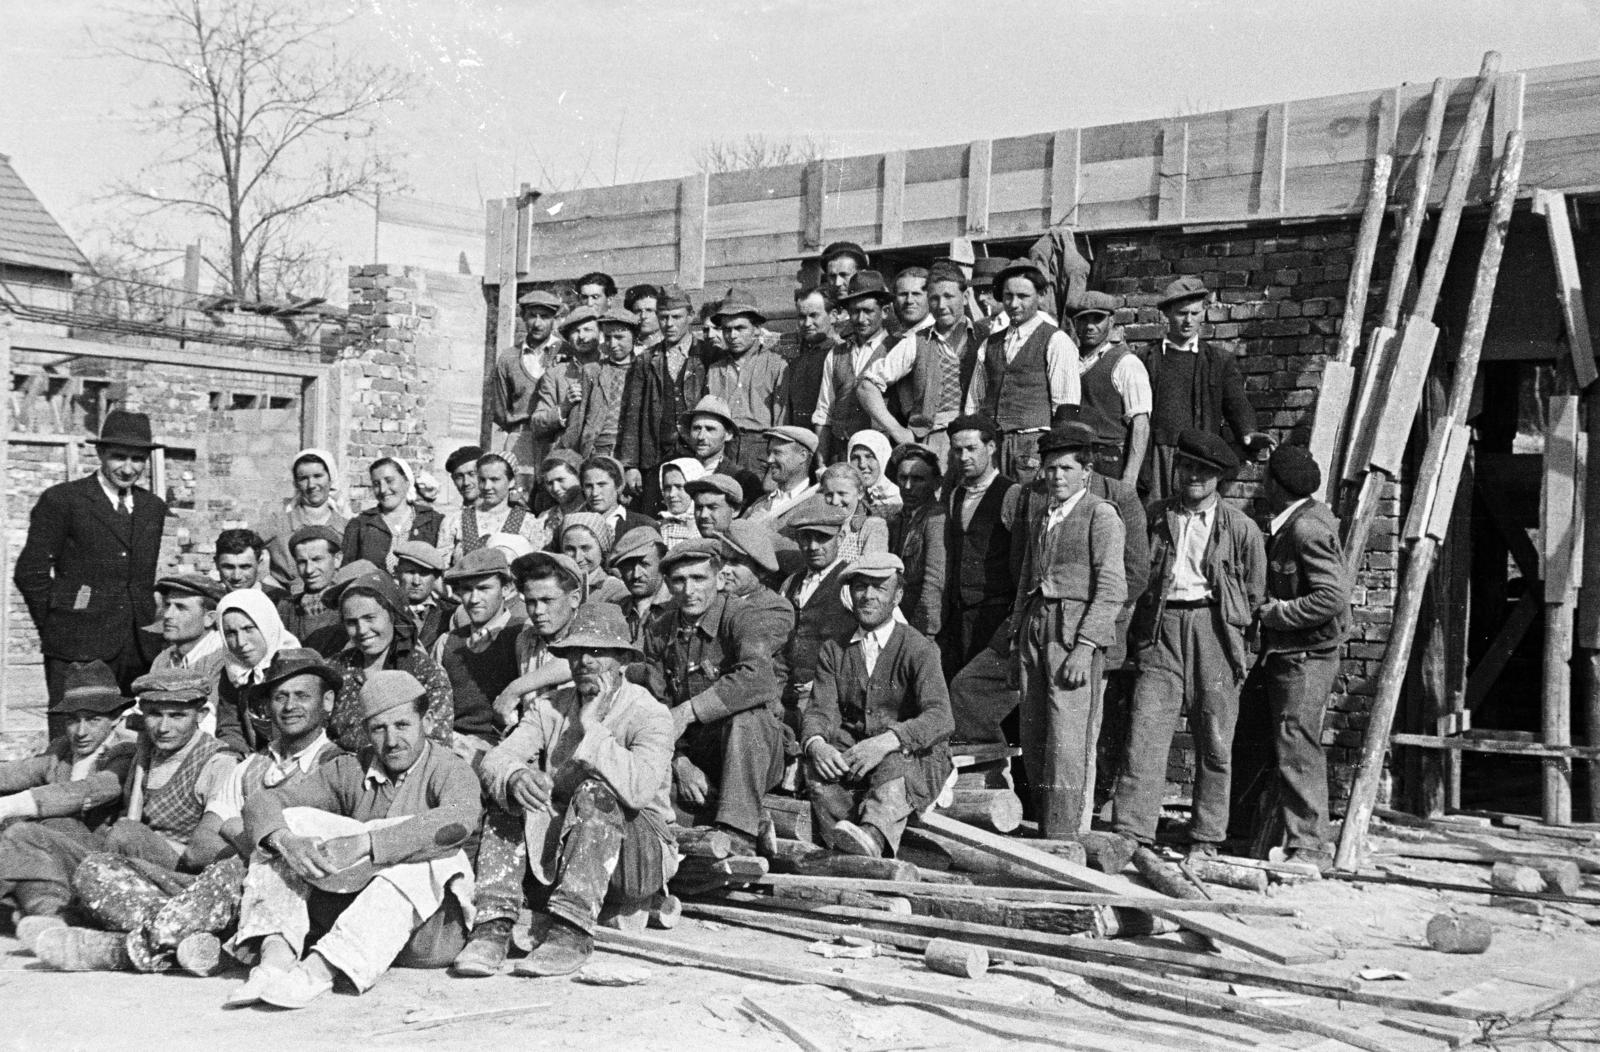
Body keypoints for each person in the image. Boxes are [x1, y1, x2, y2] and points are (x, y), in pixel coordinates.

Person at [34, 650, 346, 976]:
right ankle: (197, 941)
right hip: (212, 888)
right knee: (94, 869)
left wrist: (235, 829)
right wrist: (266, 842)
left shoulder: (338, 765)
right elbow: (199, 849)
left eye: (301, 696)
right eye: (280, 697)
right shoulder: (252, 766)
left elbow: (323, 855)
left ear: (326, 702)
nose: (290, 706)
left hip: (284, 901)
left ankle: (119, 950)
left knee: (235, 871)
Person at [226, 669, 482, 1009]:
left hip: (430, 932)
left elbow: (457, 822)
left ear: (428, 721)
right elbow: (265, 802)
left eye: (402, 725)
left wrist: (366, 842)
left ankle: (319, 970)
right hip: (361, 920)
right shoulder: (352, 769)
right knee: (288, 823)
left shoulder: (449, 768)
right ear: (365, 732)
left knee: (430, 853)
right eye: (379, 728)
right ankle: (275, 958)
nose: (391, 741)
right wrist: (287, 841)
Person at [453, 603, 676, 978]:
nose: (584, 662)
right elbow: (497, 758)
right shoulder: (550, 707)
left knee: (595, 790)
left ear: (622, 658)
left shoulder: (649, 713)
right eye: (575, 653)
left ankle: (571, 932)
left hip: (638, 855)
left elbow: (637, 792)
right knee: (511, 793)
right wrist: (514, 777)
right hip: (563, 851)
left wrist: (592, 726)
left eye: (597, 652)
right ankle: (492, 925)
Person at [1111, 430, 1265, 862]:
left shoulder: (1241, 528)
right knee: (1145, 732)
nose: (1194, 476)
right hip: (1161, 629)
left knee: (1214, 738)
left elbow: (1254, 592)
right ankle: (1132, 831)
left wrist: (1238, 646)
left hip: (1213, 630)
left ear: (1220, 478)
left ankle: (1207, 837)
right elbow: (1137, 574)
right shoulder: (1156, 516)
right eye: (1188, 466)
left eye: (1205, 471)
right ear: (1176, 468)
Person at [0, 669, 235, 935]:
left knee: (125, 832)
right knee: (25, 833)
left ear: (201, 716)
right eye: (155, 714)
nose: (164, 727)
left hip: (177, 877)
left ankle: (70, 915)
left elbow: (204, 853)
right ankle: (52, 918)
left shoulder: (218, 763)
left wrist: (136, 840)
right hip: (121, 865)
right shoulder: (145, 753)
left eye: (177, 716)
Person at [15, 409, 167, 735]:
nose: (128, 468)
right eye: (119, 457)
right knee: (73, 740)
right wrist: (60, 622)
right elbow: (30, 572)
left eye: (138, 459)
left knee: (129, 741)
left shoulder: (153, 507)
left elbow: (143, 579)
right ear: (100, 453)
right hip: (77, 646)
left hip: (138, 648)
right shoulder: (64, 500)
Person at [1011, 426, 1127, 837]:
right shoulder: (1044, 514)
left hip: (1072, 633)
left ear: (1086, 471)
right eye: (1050, 468)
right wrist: (1016, 638)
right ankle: (1045, 827)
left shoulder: (1100, 514)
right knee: (1034, 733)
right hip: (1035, 628)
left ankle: (1063, 835)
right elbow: (1028, 575)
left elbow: (1112, 586)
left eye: (1065, 468)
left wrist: (1086, 647)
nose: (1056, 476)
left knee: (1067, 739)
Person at [803, 554, 953, 857]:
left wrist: (888, 741)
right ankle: (842, 839)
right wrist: (817, 744)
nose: (868, 596)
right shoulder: (835, 649)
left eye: (880, 588)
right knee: (820, 764)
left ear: (897, 596)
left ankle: (872, 837)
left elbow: (941, 717)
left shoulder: (918, 648)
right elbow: (820, 709)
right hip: (857, 754)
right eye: (860, 587)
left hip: (912, 756)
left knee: (895, 764)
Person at [644, 542, 785, 857]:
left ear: (719, 579)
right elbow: (655, 703)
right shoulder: (660, 629)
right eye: (679, 581)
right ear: (667, 585)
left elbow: (758, 679)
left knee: (748, 718)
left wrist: (690, 710)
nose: (689, 590)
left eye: (699, 579)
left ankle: (738, 834)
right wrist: (679, 761)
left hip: (754, 751)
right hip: (695, 754)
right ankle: (752, 821)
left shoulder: (743, 616)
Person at [1257, 446, 1351, 872]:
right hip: (1295, 653)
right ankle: (1301, 841)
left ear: (1277, 486)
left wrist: (1277, 614)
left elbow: (1332, 596)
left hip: (1306, 654)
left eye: (1265, 480)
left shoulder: (1305, 529)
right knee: (1292, 739)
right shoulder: (1297, 522)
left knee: (1297, 741)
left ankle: (1309, 846)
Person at [1138, 276, 1271, 500]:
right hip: (1156, 456)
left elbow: (1236, 403)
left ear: (1204, 313)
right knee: (1156, 519)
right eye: (1182, 313)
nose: (1189, 320)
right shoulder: (1146, 358)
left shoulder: (1218, 360)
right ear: (1167, 313)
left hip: (1199, 458)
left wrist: (1248, 433)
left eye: (1195, 313)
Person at [964, 259, 1081, 481]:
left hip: (1034, 446)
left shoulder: (1056, 340)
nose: (1014, 304)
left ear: (1041, 296)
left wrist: (1057, 455)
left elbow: (1067, 406)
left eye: (1023, 297)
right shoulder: (990, 344)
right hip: (993, 446)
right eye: (1008, 296)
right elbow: (974, 401)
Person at [857, 262, 977, 470]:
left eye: (948, 297)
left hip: (976, 439)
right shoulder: (917, 340)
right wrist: (897, 431)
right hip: (933, 440)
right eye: (934, 298)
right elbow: (867, 386)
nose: (940, 305)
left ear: (965, 298)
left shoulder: (984, 336)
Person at [0, 661, 135, 839]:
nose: (81, 732)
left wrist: (7, 806)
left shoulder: (124, 752)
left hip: (95, 850)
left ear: (115, 718)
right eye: (73, 720)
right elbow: (15, 772)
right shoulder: (62, 749)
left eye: (93, 720)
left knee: (42, 825)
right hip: (54, 842)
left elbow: (85, 791)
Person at [329, 567, 455, 754]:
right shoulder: (336, 669)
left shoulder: (425, 673)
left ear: (393, 616)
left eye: (370, 618)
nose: (362, 630)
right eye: (351, 622)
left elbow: (437, 745)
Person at [940, 415, 1018, 677]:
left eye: (971, 449)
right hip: (959, 614)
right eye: (957, 450)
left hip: (994, 613)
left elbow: (1021, 559)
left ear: (992, 448)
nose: (963, 457)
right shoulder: (955, 494)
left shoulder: (1011, 493)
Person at [617, 284, 709, 505]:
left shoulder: (706, 355)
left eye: (676, 317)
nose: (669, 324)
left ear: (690, 316)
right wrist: (631, 466)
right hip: (655, 456)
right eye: (664, 317)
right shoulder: (647, 360)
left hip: (697, 455)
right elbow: (633, 415)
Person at [432, 548, 527, 758]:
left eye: (484, 588)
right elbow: (434, 706)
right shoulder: (447, 642)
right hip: (452, 746)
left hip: (504, 749)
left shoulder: (522, 635)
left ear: (506, 588)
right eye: (466, 589)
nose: (474, 599)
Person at [777, 499, 855, 743]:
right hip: (787, 692)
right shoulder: (790, 583)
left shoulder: (853, 582)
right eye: (805, 538)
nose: (812, 546)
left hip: (829, 696)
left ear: (840, 537)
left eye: (822, 538)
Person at [489, 551, 587, 729]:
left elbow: (574, 663)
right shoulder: (526, 640)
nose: (538, 610)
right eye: (530, 602)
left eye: (547, 600)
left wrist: (515, 688)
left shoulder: (591, 633)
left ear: (575, 598)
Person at [813, 271, 896, 463]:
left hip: (880, 456)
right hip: (841, 454)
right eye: (855, 311)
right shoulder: (836, 353)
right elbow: (824, 413)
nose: (860, 319)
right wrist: (821, 464)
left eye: (868, 311)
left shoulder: (897, 349)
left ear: (884, 311)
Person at [704, 289, 789, 476]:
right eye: (727, 329)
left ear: (757, 329)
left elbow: (781, 420)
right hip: (724, 448)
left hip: (761, 448)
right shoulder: (715, 370)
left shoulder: (776, 365)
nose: (732, 335)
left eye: (740, 328)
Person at [1071, 292, 1151, 486]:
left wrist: (1130, 477)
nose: (1090, 326)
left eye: (1098, 319)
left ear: (1111, 321)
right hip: (1073, 458)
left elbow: (1140, 423)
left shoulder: (1126, 362)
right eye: (1083, 320)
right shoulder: (1068, 359)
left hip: (1109, 459)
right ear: (1074, 323)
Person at [491, 289, 568, 471]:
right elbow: (501, 408)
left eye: (545, 316)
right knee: (518, 493)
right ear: (523, 318)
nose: (538, 323)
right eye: (532, 316)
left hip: (557, 436)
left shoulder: (566, 352)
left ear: (555, 320)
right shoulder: (508, 357)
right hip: (521, 437)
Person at [260, 449, 351, 592]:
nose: (311, 485)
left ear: (330, 478)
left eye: (318, 476)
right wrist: (268, 582)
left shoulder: (347, 528)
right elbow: (240, 548)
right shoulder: (279, 523)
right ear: (296, 483)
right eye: (303, 478)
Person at [561, 306, 641, 460]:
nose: (612, 344)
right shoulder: (592, 371)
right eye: (608, 337)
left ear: (634, 337)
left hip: (632, 449)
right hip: (599, 448)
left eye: (619, 337)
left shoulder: (644, 369)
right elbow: (579, 417)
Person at [342, 457, 444, 571]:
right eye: (376, 484)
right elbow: (347, 572)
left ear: (406, 482)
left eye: (389, 481)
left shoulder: (432, 521)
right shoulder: (360, 525)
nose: (383, 489)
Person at [529, 307, 603, 464]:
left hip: (601, 453)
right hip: (567, 457)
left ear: (600, 334)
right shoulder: (556, 373)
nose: (582, 336)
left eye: (588, 330)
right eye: (575, 331)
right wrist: (563, 407)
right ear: (568, 338)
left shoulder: (608, 368)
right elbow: (537, 423)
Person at [886, 445, 946, 638]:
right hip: (898, 617)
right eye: (903, 478)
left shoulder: (936, 518)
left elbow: (934, 580)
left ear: (936, 483)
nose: (908, 487)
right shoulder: (899, 518)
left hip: (919, 624)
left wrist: (925, 632)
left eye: (918, 479)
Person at [439, 451, 543, 562]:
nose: (487, 487)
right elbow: (441, 568)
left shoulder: (529, 523)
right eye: (482, 480)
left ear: (511, 482)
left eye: (495, 479)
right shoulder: (455, 521)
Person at [679, 395, 764, 509]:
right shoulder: (675, 469)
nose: (701, 436)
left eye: (710, 429)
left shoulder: (743, 479)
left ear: (728, 435)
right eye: (696, 428)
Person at [277, 525, 347, 657]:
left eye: (317, 559)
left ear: (337, 559)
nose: (309, 570)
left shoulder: (350, 601)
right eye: (302, 562)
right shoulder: (286, 608)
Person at [146, 573, 228, 685]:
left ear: (209, 618)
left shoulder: (224, 659)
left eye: (181, 607)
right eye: (167, 605)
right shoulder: (163, 659)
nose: (167, 615)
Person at [743, 425, 819, 531]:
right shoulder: (759, 504)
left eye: (777, 453)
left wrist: (768, 530)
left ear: (803, 456)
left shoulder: (816, 504)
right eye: (769, 453)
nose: (769, 460)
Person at [786, 285, 839, 429]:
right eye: (802, 317)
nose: (807, 323)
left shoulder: (841, 353)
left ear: (833, 315)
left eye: (814, 315)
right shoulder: (797, 355)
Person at [609, 527, 671, 645]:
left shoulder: (677, 605)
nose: (636, 574)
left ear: (662, 563)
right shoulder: (617, 610)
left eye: (644, 564)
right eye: (628, 567)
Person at [818, 463, 888, 564]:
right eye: (829, 494)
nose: (835, 501)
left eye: (842, 494)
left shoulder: (872, 527)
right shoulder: (817, 526)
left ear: (860, 494)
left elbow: (871, 570)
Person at [559, 513, 629, 605]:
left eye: (585, 548)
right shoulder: (555, 585)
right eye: (570, 549)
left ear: (602, 549)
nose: (577, 558)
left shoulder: (614, 590)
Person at [393, 540, 451, 651]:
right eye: (410, 572)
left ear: (436, 577)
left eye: (424, 573)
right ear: (397, 572)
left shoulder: (448, 614)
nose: (416, 581)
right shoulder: (386, 610)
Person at [580, 455, 655, 540]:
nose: (594, 493)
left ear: (618, 486)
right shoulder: (577, 524)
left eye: (602, 485)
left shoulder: (643, 524)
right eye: (588, 486)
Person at [532, 449, 586, 549]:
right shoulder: (545, 518)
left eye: (560, 480)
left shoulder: (592, 512)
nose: (555, 488)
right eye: (549, 483)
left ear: (579, 477)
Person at [215, 528, 286, 604]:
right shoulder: (210, 601)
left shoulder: (282, 601)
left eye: (245, 567)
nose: (236, 576)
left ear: (259, 564)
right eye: (229, 567)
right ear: (216, 564)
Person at [846, 429, 901, 516]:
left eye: (869, 457)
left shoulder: (902, 497)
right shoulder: (838, 493)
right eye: (855, 457)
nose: (862, 465)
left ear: (883, 458)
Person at [655, 458, 706, 548]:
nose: (672, 494)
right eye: (667, 488)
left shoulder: (707, 527)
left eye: (679, 487)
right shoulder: (656, 529)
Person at [686, 474, 743, 540]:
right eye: (699, 508)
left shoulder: (750, 547)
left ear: (735, 510)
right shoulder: (689, 547)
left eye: (712, 507)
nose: (703, 515)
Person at [891, 266, 935, 342]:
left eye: (916, 294)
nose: (909, 301)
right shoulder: (891, 339)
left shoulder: (938, 336)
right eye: (903, 294)